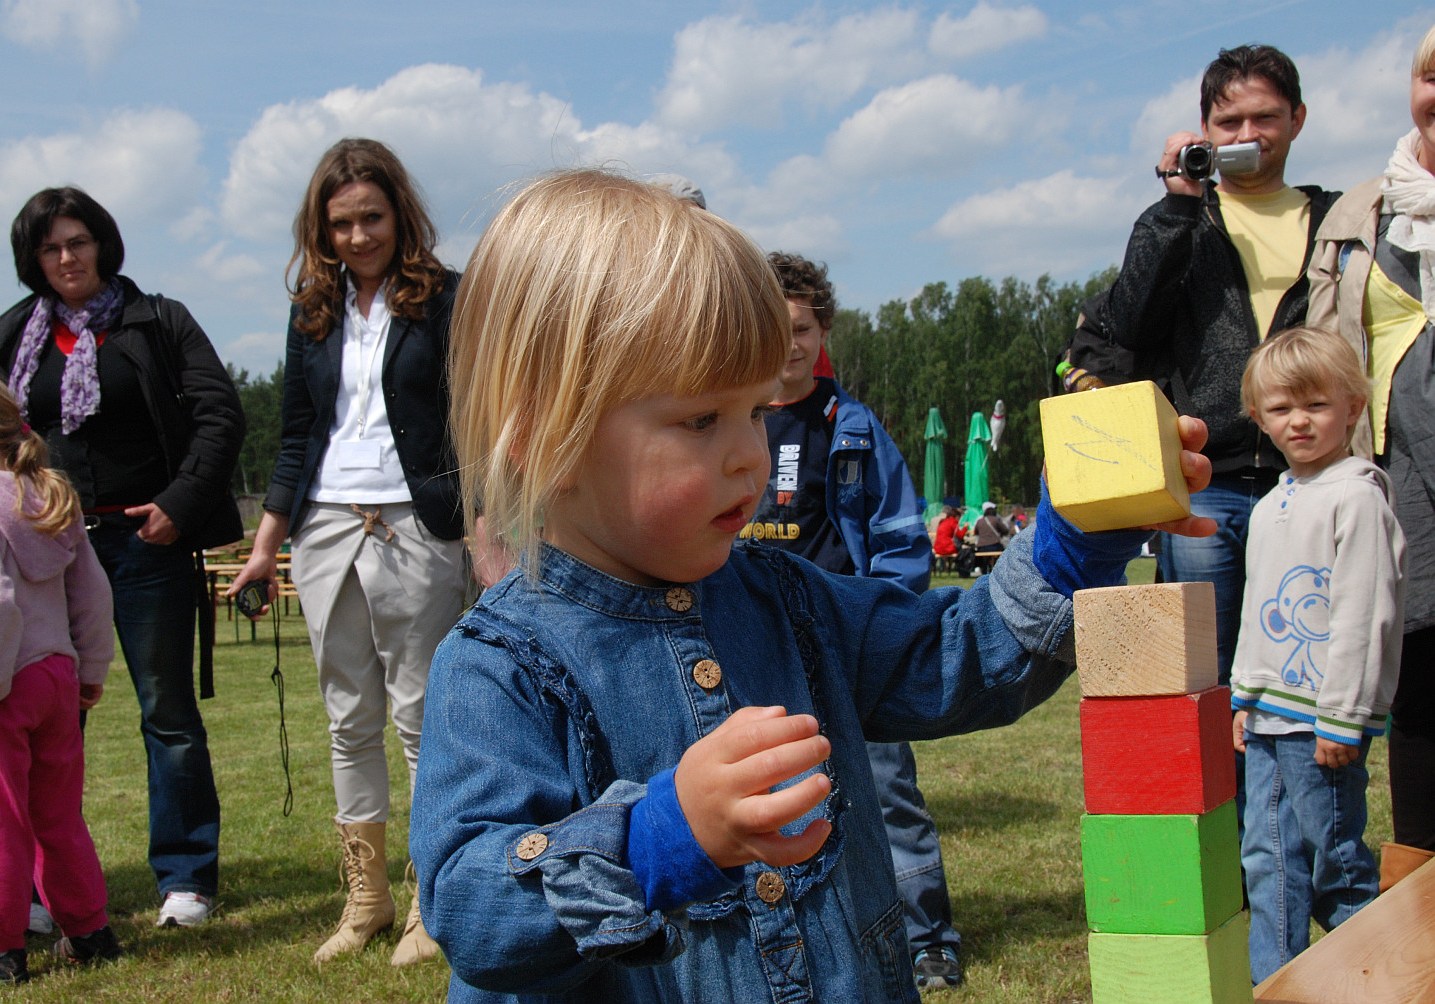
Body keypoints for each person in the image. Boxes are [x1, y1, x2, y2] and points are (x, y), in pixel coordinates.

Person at [409, 169, 1215, 1003]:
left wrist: (1072, 547)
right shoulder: (501, 663)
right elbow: (469, 905)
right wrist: (656, 840)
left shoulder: (793, 601)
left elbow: (955, 657)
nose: (750, 455)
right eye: (699, 420)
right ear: (547, 438)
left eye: (756, 412)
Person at [0, 187, 243, 930]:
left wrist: (178, 506)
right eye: (50, 247)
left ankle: (186, 878)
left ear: (103, 244)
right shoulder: (8, 338)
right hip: (44, 555)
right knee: (44, 718)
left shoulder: (158, 320)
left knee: (168, 713)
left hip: (145, 543)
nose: (66, 258)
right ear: (33, 259)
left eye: (78, 241)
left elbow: (221, 414)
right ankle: (33, 890)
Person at [228, 137, 465, 967]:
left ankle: (432, 901)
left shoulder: (448, 300)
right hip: (325, 526)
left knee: (420, 717)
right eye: (341, 224)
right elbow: (297, 437)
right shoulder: (311, 314)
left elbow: (470, 417)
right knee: (347, 719)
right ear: (320, 230)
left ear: (400, 213)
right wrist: (265, 547)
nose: (359, 236)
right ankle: (366, 899)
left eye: (371, 217)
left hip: (418, 523)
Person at [737, 251, 958, 990]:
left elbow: (899, 538)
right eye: (774, 329)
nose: (788, 345)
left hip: (848, 641)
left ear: (822, 331)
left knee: (887, 793)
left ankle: (927, 935)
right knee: (775, 800)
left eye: (802, 329)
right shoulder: (725, 421)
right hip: (757, 644)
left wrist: (886, 627)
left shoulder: (852, 426)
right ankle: (802, 939)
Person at [1093, 45, 1339, 687]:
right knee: (1202, 674)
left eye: (1266, 117)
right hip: (1209, 479)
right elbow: (1129, 323)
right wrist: (1177, 201)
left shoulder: (1340, 221)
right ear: (1204, 131)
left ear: (1298, 119)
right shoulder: (1186, 219)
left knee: (1302, 667)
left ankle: (1284, 791)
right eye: (1229, 124)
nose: (1248, 136)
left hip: (1313, 477)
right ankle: (1222, 794)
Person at [1230, 327, 1405, 983]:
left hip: (1321, 722)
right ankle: (1277, 982)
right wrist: (1243, 697)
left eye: (1317, 405)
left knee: (1335, 858)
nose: (1299, 421)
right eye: (1281, 408)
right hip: (1269, 719)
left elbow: (1366, 613)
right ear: (1259, 418)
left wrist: (1344, 716)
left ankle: (1378, 977)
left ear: (1353, 407)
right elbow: (1258, 610)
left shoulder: (1359, 496)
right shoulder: (1271, 503)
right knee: (1266, 857)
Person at [0, 370, 120, 986]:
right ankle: (90, 932)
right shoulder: (48, 495)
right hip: (56, 679)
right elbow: (92, 592)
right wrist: (89, 667)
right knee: (58, 815)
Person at [1307, 22, 1435, 890]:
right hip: (1408, 489)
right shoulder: (1362, 214)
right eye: (1434, 76)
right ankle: (1425, 903)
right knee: (1423, 695)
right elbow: (1325, 348)